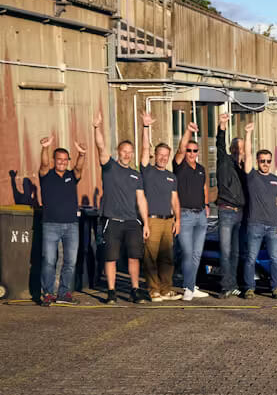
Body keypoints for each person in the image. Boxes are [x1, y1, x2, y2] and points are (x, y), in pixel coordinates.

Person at [93, 109, 150, 304]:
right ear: (118, 152)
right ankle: (111, 292)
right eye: (124, 152)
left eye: (130, 153)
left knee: (134, 257)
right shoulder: (109, 167)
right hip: (112, 221)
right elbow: (100, 146)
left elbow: (141, 200)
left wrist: (146, 224)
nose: (127, 155)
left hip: (132, 222)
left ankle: (135, 290)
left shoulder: (136, 174)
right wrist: (97, 127)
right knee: (111, 258)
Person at [37, 133, 86, 306]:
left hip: (71, 225)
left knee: (70, 261)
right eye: (59, 159)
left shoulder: (72, 176)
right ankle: (48, 294)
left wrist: (81, 154)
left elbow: (79, 169)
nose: (62, 162)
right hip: (51, 224)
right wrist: (45, 147)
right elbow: (43, 163)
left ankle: (64, 293)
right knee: (49, 260)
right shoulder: (46, 175)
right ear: (54, 160)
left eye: (66, 160)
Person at [138, 113, 181, 303]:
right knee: (150, 257)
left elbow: (175, 199)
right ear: (155, 155)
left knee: (167, 258)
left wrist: (177, 219)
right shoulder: (147, 171)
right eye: (160, 155)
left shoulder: (172, 176)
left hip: (168, 220)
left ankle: (166, 289)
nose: (163, 158)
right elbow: (144, 147)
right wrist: (146, 127)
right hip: (153, 220)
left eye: (166, 156)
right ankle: (153, 290)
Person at [241, 121, 277, 299]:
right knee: (251, 258)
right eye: (262, 161)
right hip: (255, 224)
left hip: (273, 226)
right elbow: (248, 155)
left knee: (275, 259)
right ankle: (249, 288)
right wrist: (248, 134)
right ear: (258, 162)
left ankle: (275, 288)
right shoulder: (252, 176)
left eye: (268, 161)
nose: (265, 164)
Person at [173, 119, 209, 301]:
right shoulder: (180, 166)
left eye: (195, 151)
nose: (192, 153)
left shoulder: (201, 169)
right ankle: (188, 287)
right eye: (189, 150)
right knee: (187, 253)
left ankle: (191, 285)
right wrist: (187, 131)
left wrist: (207, 205)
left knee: (196, 254)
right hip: (185, 215)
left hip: (201, 215)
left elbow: (204, 188)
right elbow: (180, 149)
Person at [215, 112, 247, 299]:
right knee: (225, 251)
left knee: (235, 252)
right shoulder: (224, 161)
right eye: (235, 147)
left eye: (240, 148)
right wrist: (222, 126)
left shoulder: (245, 167)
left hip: (240, 213)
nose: (237, 150)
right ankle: (225, 286)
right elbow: (219, 145)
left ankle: (233, 284)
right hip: (226, 211)